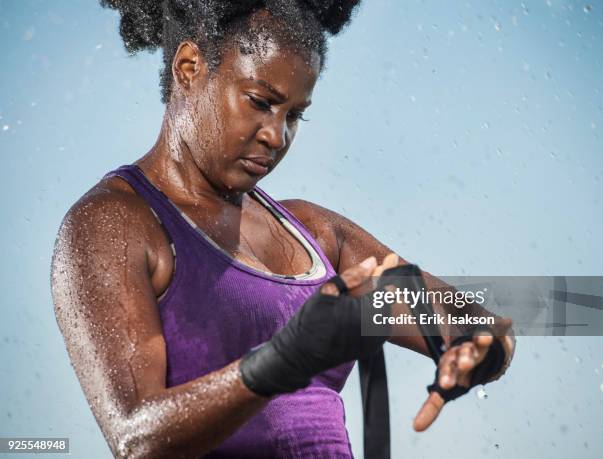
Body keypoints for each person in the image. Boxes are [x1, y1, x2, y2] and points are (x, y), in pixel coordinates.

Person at [50, 1, 515, 457]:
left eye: (294, 115)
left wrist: (483, 345)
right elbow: (135, 438)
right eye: (260, 102)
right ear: (190, 67)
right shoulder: (114, 224)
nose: (277, 136)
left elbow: (469, 321)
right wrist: (284, 359)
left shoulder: (313, 232)